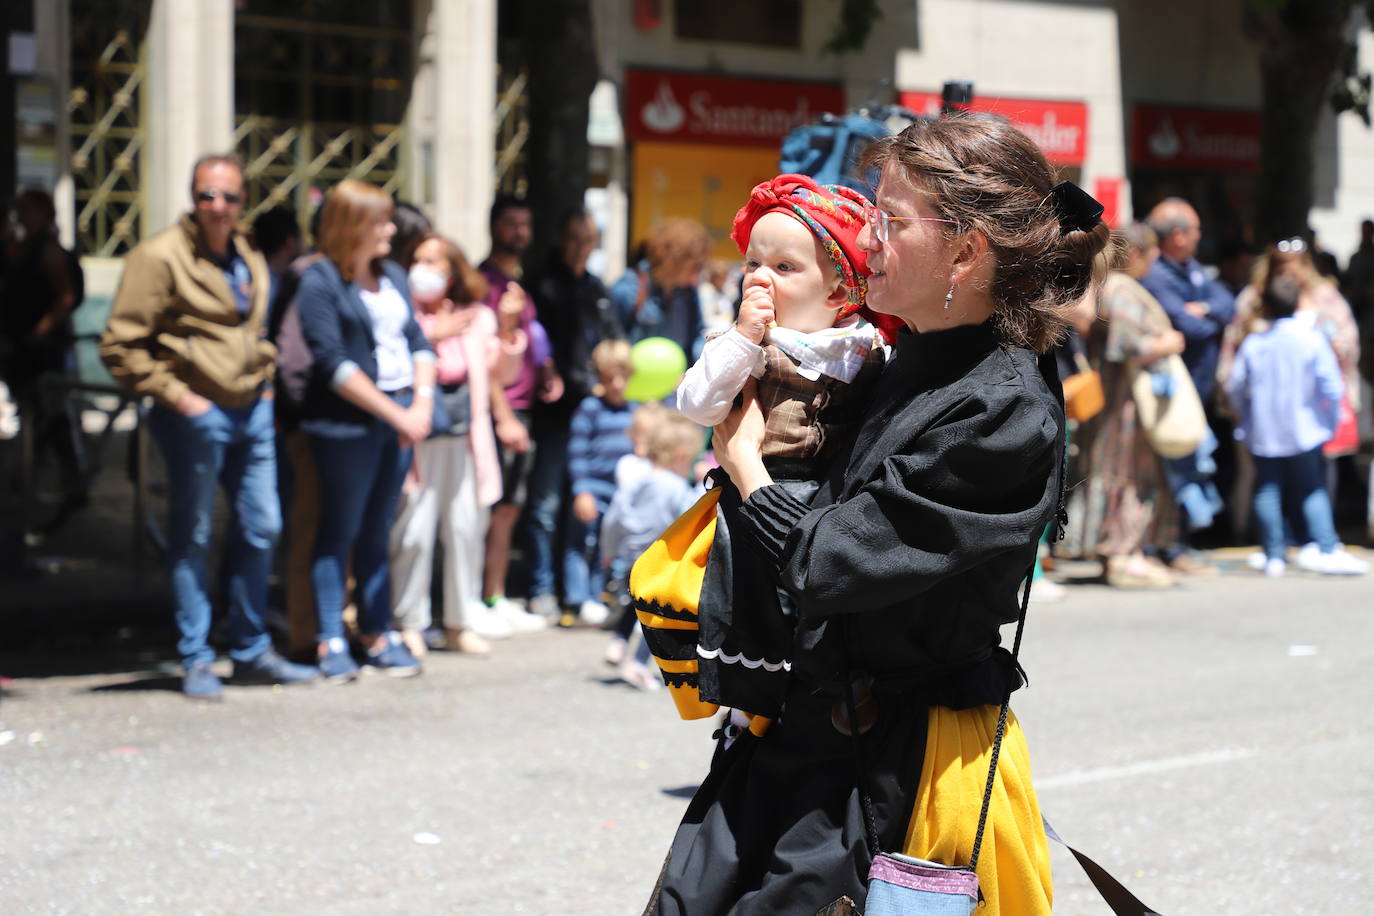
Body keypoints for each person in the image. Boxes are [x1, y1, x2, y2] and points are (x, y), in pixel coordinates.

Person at [643, 111, 1107, 915]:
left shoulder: (1002, 407)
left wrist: (745, 463)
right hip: (802, 734)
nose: (869, 238)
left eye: (890, 221)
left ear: (965, 250)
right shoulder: (903, 352)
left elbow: (831, 562)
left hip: (895, 768)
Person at [665, 173, 893, 719]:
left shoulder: (866, 346)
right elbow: (696, 404)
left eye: (784, 268)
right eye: (752, 264)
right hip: (758, 496)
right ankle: (746, 714)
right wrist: (743, 339)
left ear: (840, 292)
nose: (759, 279)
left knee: (817, 616)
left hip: (832, 502)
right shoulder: (743, 345)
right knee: (754, 612)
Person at [101, 154, 317, 698]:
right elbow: (121, 346)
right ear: (192, 198)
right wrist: (179, 397)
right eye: (206, 196)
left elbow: (255, 325)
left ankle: (248, 651)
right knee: (193, 534)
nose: (218, 207)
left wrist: (264, 377)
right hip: (195, 413)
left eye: (229, 197)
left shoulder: (247, 252)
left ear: (244, 201)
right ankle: (196, 656)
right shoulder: (159, 257)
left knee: (263, 525)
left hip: (253, 409)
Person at [294, 179, 434, 681]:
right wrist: (398, 416)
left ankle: (377, 632)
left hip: (399, 417)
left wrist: (419, 403)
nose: (391, 230)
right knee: (339, 529)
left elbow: (418, 340)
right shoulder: (319, 281)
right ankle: (330, 638)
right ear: (351, 225)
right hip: (347, 425)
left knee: (378, 531)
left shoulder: (393, 274)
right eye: (381, 221)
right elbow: (331, 361)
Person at [389, 232, 533, 658]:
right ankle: (408, 623)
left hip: (465, 441)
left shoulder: (476, 317)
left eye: (435, 261)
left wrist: (507, 330)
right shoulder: (400, 311)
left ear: (452, 273)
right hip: (417, 439)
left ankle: (458, 622)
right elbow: (395, 357)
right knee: (413, 532)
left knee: (465, 529)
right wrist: (433, 333)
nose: (425, 269)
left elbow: (500, 374)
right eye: (418, 259)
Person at [1219, 237, 1363, 560]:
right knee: (1270, 481)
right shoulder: (1254, 299)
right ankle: (1278, 543)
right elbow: (1234, 355)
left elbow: (1346, 343)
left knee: (1312, 479)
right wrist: (1237, 405)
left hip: (1309, 406)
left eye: (1294, 267)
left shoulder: (1325, 298)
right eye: (1281, 267)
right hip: (1269, 405)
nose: (1288, 274)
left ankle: (1310, 541)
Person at [1061, 223, 1185, 588]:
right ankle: (1122, 553)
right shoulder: (1121, 287)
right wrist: (1167, 344)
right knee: (1127, 475)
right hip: (1125, 404)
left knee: (1113, 473)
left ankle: (1113, 552)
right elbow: (1125, 346)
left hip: (1116, 400)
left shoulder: (1107, 286)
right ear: (1135, 255)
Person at [524, 209, 624, 619]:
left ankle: (580, 591)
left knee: (584, 508)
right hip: (553, 413)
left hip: (593, 411)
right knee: (546, 506)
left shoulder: (598, 288)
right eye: (576, 239)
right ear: (561, 242)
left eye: (589, 240)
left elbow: (612, 339)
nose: (582, 247)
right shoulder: (543, 286)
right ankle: (540, 587)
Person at [477, 196, 561, 626]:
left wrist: (546, 369)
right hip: (498, 411)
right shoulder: (481, 284)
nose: (519, 233)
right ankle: (477, 600)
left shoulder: (518, 283)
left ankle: (493, 597)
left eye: (525, 225)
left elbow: (530, 340)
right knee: (491, 507)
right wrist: (502, 415)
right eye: (511, 224)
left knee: (510, 506)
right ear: (493, 226)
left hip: (523, 407)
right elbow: (481, 356)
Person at [1140, 197, 1234, 571]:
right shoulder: (1156, 276)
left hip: (1203, 388)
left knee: (1196, 466)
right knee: (1174, 468)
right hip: (1176, 391)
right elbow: (1189, 327)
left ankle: (1184, 542)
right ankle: (1170, 547)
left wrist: (1205, 311)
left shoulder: (1194, 270)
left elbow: (1228, 303)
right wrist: (1205, 318)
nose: (1199, 237)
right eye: (1195, 230)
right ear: (1178, 235)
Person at [600, 409, 704, 689]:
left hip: (632, 559)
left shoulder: (637, 480)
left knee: (632, 606)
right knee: (659, 619)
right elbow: (689, 516)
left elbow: (614, 517)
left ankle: (618, 643)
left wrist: (608, 550)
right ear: (682, 455)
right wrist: (704, 490)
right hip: (660, 564)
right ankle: (637, 665)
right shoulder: (676, 486)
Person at [2, 189, 86, 525]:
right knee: (34, 412)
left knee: (49, 412)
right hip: (23, 348)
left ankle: (66, 477)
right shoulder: (21, 248)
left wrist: (42, 330)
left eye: (27, 210)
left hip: (43, 350)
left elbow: (65, 297)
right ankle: (35, 474)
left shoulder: (48, 251)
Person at [563, 340, 638, 626]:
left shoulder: (634, 410)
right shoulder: (590, 409)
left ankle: (598, 597)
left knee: (608, 549)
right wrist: (581, 490)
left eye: (622, 376)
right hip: (593, 489)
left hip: (621, 493)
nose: (617, 384)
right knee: (583, 544)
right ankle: (578, 599)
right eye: (609, 378)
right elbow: (577, 452)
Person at [610, 218, 710, 361]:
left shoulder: (688, 293)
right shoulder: (628, 289)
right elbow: (611, 344)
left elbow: (695, 340)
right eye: (695, 268)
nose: (696, 278)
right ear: (673, 261)